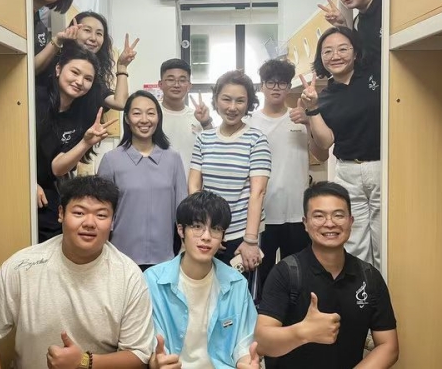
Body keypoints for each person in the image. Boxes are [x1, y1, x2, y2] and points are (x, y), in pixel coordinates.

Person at [0, 176, 155, 369]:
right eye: (79, 213)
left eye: (101, 215)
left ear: (113, 221)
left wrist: (83, 362)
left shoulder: (129, 276)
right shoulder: (22, 267)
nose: (89, 223)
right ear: (61, 213)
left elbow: (138, 354)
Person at [255, 182, 398, 369]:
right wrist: (302, 332)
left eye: (338, 215)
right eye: (319, 216)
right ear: (305, 223)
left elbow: (388, 346)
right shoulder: (286, 272)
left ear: (351, 221)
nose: (329, 223)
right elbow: (262, 342)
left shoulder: (369, 277)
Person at [145, 190, 260, 369]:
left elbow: (244, 344)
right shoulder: (153, 281)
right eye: (197, 226)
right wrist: (155, 362)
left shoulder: (236, 283)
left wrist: (246, 362)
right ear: (181, 230)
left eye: (215, 229)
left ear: (223, 236)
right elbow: (151, 345)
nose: (206, 237)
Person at [300, 26, 381, 268]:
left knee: (384, 240)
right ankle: (362, 289)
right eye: (327, 51)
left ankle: (384, 290)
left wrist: (342, 19)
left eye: (343, 49)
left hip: (382, 166)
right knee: (353, 242)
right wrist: (312, 110)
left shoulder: (376, 75)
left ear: (355, 52)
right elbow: (325, 142)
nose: (335, 56)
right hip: (347, 171)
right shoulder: (325, 97)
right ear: (321, 58)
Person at [247, 59, 328, 292]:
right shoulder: (250, 123)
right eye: (270, 82)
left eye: (282, 83)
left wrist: (310, 122)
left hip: (296, 212)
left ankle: (296, 312)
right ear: (261, 86)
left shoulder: (300, 117)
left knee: (297, 274)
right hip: (262, 213)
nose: (276, 88)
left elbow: (322, 154)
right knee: (261, 276)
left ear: (288, 87)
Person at [189, 70, 271, 282]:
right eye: (226, 99)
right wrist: (205, 229)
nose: (232, 107)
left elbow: (258, 192)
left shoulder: (256, 139)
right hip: (209, 231)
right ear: (216, 100)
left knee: (240, 293)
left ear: (249, 103)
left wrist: (250, 240)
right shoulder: (204, 139)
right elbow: (194, 187)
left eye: (240, 101)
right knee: (206, 289)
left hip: (241, 234)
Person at [98, 90, 187, 270]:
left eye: (151, 113)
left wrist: (185, 247)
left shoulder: (173, 159)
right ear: (127, 118)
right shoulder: (111, 160)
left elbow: (182, 209)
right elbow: (100, 210)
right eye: (137, 113)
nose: (144, 120)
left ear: (158, 118)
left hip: (165, 257)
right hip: (121, 259)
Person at [36, 43, 117, 242]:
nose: (80, 82)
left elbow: (57, 168)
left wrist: (86, 142)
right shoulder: (35, 98)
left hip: (48, 190)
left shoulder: (80, 116)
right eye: (75, 72)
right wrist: (27, 182)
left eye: (88, 78)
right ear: (58, 69)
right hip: (18, 183)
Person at [37, 11, 139, 111]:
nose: (93, 38)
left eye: (99, 33)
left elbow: (120, 103)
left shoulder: (94, 74)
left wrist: (122, 66)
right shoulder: (53, 59)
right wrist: (58, 40)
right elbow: (31, 70)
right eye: (87, 30)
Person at [158, 58, 213, 177]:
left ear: (189, 86)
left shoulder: (198, 117)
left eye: (182, 80)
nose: (176, 85)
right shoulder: (152, 115)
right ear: (160, 84)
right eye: (170, 80)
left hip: (192, 185)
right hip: (158, 183)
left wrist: (206, 123)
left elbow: (212, 150)